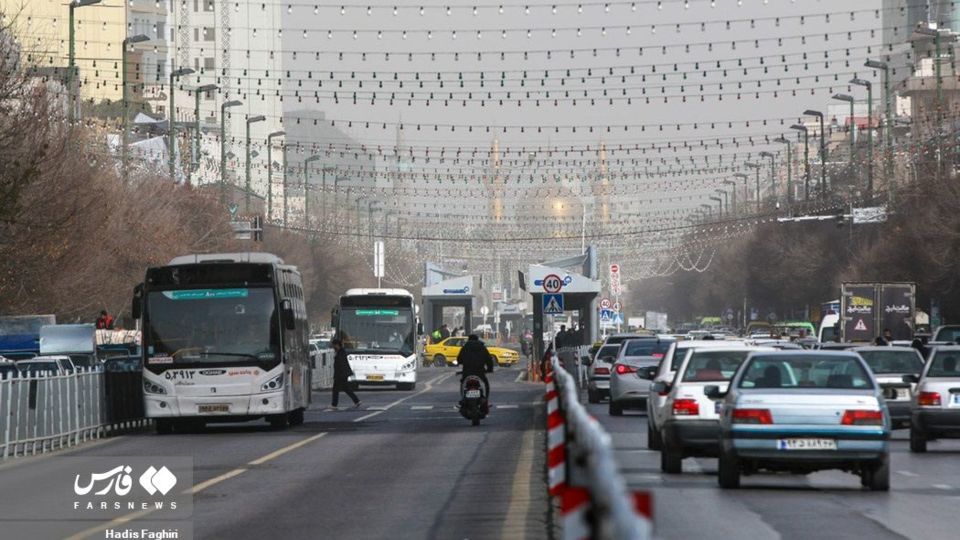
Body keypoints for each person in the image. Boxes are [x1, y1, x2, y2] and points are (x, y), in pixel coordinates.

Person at [457, 334, 494, 400]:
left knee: (463, 383)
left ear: (469, 339)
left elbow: (459, 359)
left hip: (467, 372)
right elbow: (489, 360)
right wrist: (490, 369)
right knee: (485, 384)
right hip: (479, 372)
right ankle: (486, 399)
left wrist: (463, 362)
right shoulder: (482, 347)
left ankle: (463, 398)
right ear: (477, 339)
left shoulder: (464, 347)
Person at [330, 339, 361, 410]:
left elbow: (340, 364)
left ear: (337, 345)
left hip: (341, 374)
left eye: (334, 345)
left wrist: (338, 375)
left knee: (335, 389)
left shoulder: (341, 353)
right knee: (346, 388)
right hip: (342, 374)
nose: (333, 347)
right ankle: (357, 401)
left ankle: (334, 405)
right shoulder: (340, 352)